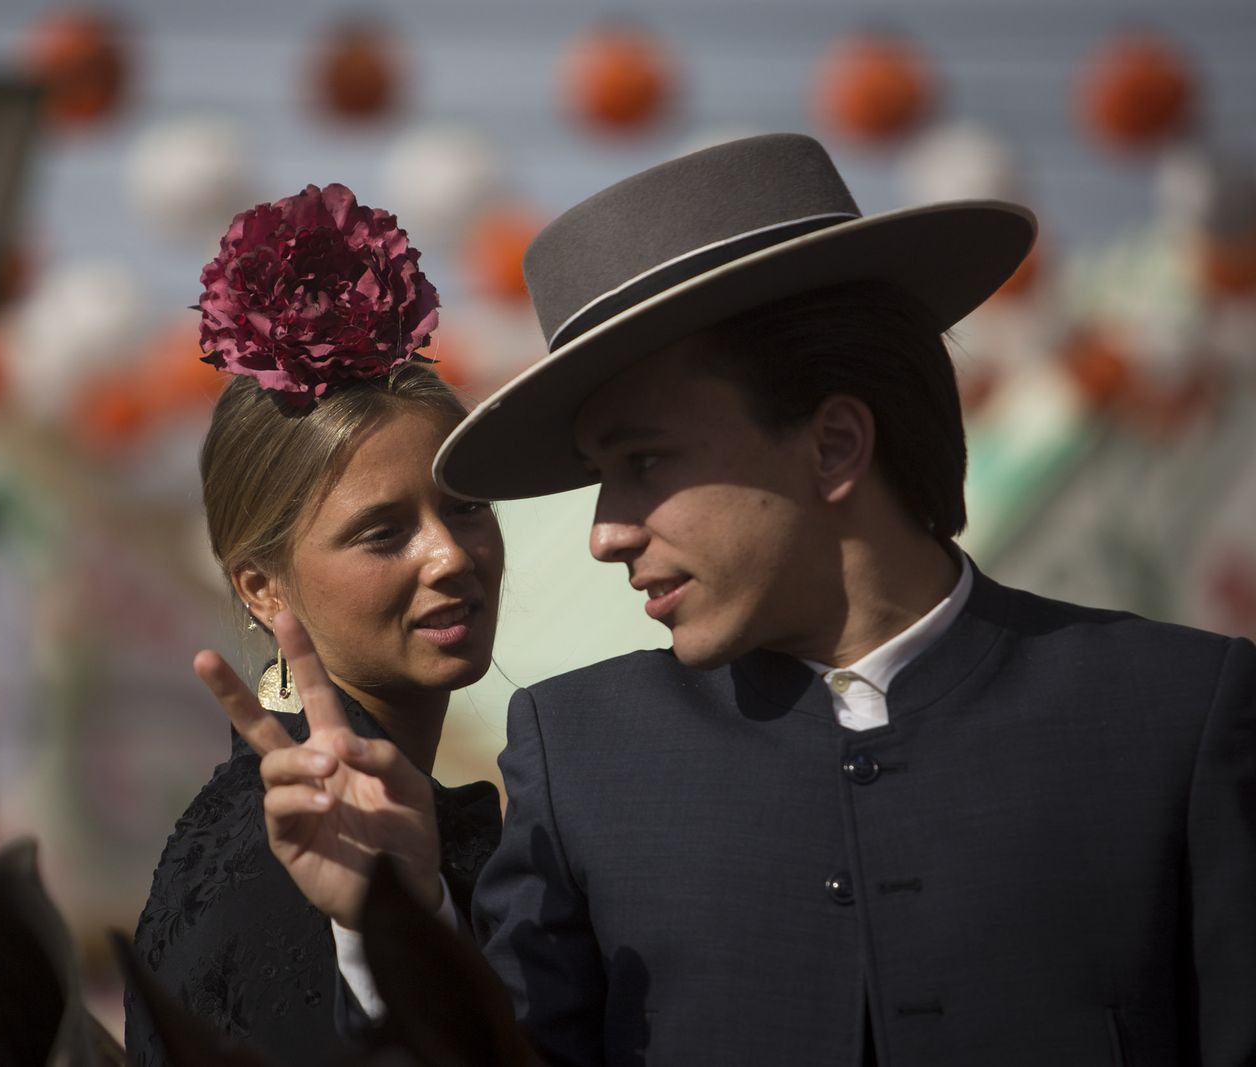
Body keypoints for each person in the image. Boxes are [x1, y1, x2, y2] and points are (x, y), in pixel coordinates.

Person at [206, 135, 1256, 1066]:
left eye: (646, 459)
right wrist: (393, 924)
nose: (603, 531)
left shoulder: (1178, 715)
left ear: (834, 442)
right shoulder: (580, 754)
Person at [125, 183, 504, 1067]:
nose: (450, 555)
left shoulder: (352, 822)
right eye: (385, 532)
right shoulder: (287, 856)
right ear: (263, 588)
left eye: (469, 507)